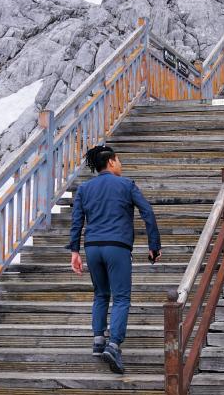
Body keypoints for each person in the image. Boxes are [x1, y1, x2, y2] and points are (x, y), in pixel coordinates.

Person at [68, 145, 161, 373]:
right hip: (117, 247)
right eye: (118, 160)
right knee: (121, 297)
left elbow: (77, 221)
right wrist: (153, 245)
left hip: (92, 248)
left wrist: (74, 252)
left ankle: (99, 339)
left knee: (100, 294)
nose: (120, 164)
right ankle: (114, 345)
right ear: (110, 162)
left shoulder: (85, 188)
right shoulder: (126, 185)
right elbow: (147, 212)